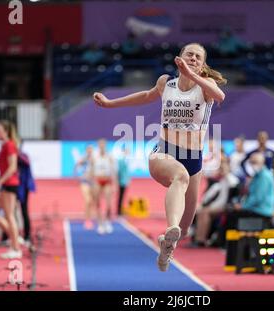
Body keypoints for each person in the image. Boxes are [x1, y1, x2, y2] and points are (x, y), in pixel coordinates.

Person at [93, 42, 226, 271]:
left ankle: (168, 243)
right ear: (179, 58)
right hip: (164, 151)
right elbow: (145, 96)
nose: (192, 58)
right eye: (189, 54)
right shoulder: (166, 83)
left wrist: (193, 76)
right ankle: (170, 228)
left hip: (194, 158)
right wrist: (110, 104)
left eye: (197, 57)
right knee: (180, 177)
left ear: (202, 65)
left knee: (185, 229)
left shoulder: (206, 87)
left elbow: (220, 96)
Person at [0, 120, 22, 259]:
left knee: (9, 216)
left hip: (9, 184)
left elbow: (13, 167)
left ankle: (15, 248)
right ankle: (15, 237)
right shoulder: (4, 146)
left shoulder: (10, 145)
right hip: (3, 184)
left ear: (6, 131)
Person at [193, 159, 239, 247]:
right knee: (201, 211)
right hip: (218, 205)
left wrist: (226, 172)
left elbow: (234, 184)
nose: (221, 170)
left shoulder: (231, 178)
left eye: (223, 168)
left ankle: (201, 240)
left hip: (225, 206)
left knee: (205, 212)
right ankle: (197, 238)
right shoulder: (220, 181)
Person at [0, 140, 36, 246]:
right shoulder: (9, 156)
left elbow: (26, 162)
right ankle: (7, 236)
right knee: (9, 211)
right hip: (13, 186)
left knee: (24, 210)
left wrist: (17, 155)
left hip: (24, 187)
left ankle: (27, 236)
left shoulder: (23, 156)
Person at [228, 152, 274, 229]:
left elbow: (257, 198)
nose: (252, 165)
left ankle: (223, 240)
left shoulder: (264, 176)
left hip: (261, 211)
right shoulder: (257, 176)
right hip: (256, 209)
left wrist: (242, 207)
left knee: (230, 216)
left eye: (255, 162)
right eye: (251, 162)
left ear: (262, 162)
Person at [94, 139, 116, 235]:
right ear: (98, 146)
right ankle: (100, 224)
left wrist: (114, 184)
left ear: (105, 146)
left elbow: (113, 171)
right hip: (97, 181)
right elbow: (91, 169)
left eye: (103, 145)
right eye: (100, 145)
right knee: (98, 203)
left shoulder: (109, 156)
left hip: (107, 181)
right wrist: (91, 182)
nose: (102, 146)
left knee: (108, 203)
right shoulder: (95, 156)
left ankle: (107, 222)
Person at [75, 145, 97, 230]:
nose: (90, 151)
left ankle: (90, 217)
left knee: (92, 201)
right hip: (85, 182)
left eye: (91, 149)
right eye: (88, 149)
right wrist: (78, 177)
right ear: (86, 150)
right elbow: (76, 166)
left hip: (93, 182)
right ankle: (87, 220)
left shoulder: (95, 159)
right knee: (87, 200)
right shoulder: (84, 158)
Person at [117, 146, 131, 216]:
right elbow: (119, 171)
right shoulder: (121, 160)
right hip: (121, 181)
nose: (128, 152)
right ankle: (118, 211)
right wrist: (118, 180)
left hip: (125, 180)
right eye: (126, 151)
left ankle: (120, 210)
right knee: (120, 196)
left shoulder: (126, 160)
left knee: (122, 196)